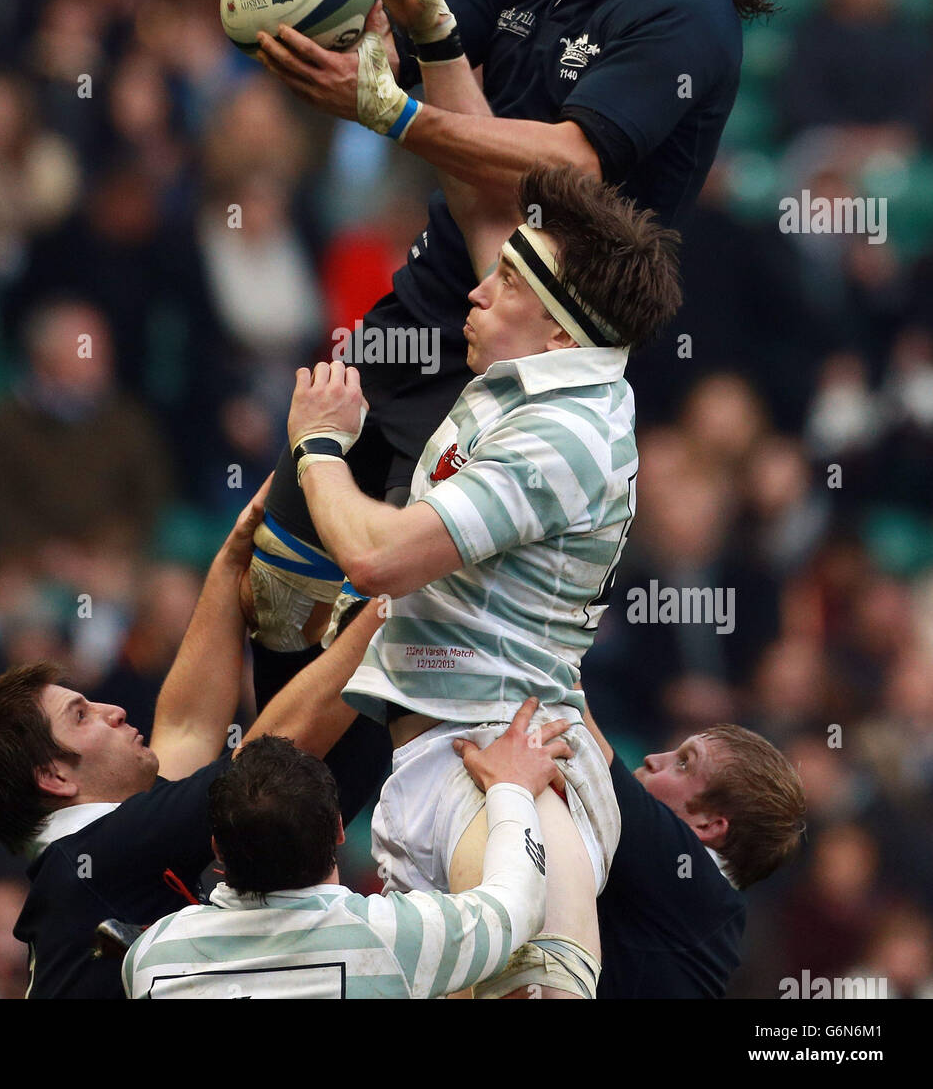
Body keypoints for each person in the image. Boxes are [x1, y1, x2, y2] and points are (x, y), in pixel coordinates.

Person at [213, 0, 815, 641]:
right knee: (270, 592)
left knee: (387, 623)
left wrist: (393, 114)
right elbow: (398, 33)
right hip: (426, 305)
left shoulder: (687, 16)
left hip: (527, 358)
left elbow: (568, 161)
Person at [284, 165, 682, 998]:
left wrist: (319, 449)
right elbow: (477, 198)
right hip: (452, 753)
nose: (474, 292)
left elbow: (378, 557)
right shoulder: (548, 373)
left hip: (508, 771)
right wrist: (428, 50)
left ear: (561, 334)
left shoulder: (564, 436)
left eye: (505, 281)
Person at [0, 484, 269, 999]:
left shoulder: (85, 855)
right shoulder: (104, 852)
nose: (115, 711)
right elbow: (278, 753)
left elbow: (188, 725)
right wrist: (387, 616)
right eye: (82, 716)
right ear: (53, 776)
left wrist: (233, 552)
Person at [123, 699, 565, 999]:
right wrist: (510, 786)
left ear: (218, 849)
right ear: (339, 829)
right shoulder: (395, 937)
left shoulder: (152, 955)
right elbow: (518, 905)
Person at [582, 702, 806, 998]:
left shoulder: (688, 876)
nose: (653, 759)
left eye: (684, 763)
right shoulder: (705, 902)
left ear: (709, 824)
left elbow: (578, 731)